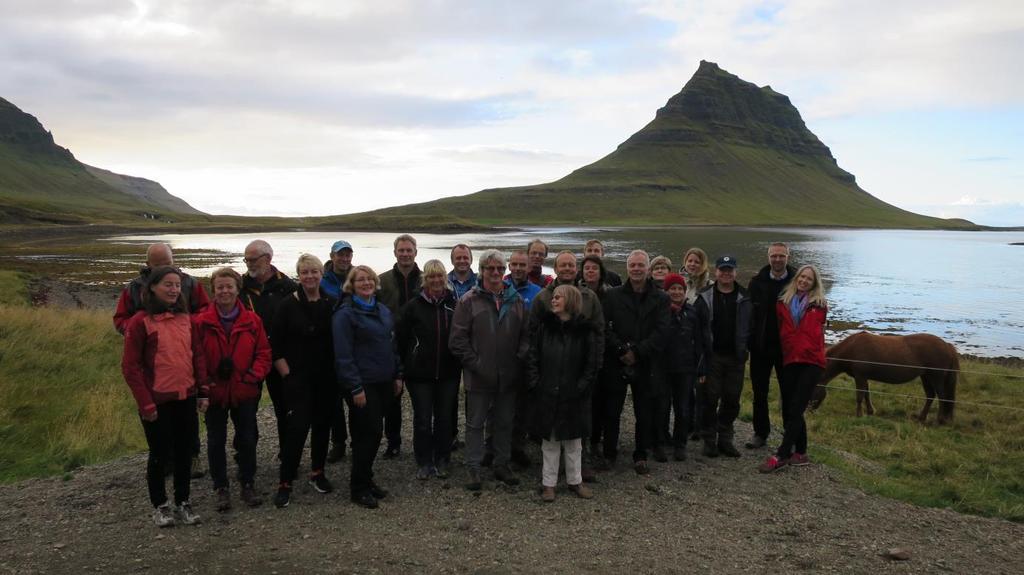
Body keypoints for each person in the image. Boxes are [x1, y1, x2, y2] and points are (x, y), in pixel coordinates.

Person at [113, 242, 210, 479]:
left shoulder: (190, 283)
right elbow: (120, 319)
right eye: (159, 265)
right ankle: (164, 460)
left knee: (186, 413)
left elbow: (205, 310)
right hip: (151, 361)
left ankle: (192, 457)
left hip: (182, 356)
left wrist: (186, 327)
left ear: (173, 259)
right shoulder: (133, 288)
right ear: (148, 266)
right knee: (158, 413)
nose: (166, 268)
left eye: (168, 263)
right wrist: (137, 332)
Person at [121, 266, 207, 527]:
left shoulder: (186, 319)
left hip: (184, 397)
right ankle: (160, 505)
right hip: (156, 401)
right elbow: (130, 367)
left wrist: (202, 391)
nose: (173, 290)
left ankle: (183, 502)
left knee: (184, 453)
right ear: (153, 288)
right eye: (168, 285)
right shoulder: (140, 322)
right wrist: (145, 402)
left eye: (177, 285)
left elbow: (198, 357)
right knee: (159, 454)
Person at [449, 249, 530, 491]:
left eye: (499, 269)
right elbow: (457, 341)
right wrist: (477, 365)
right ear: (482, 271)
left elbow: (526, 335)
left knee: (504, 422)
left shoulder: (515, 300)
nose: (495, 273)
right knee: (475, 424)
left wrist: (518, 359)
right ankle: (473, 468)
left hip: (508, 375)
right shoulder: (468, 301)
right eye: (490, 268)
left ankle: (501, 464)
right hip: (478, 376)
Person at [195, 267, 272, 511]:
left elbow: (263, 354)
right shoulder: (200, 322)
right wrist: (204, 386)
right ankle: (221, 487)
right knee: (215, 440)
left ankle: (247, 483)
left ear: (238, 289)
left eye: (230, 286)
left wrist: (252, 377)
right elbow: (195, 357)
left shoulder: (252, 320)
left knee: (247, 439)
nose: (225, 291)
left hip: (244, 390)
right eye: (220, 287)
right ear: (213, 291)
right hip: (214, 391)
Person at [270, 254, 339, 508]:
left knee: (322, 426)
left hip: (326, 377)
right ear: (298, 275)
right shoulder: (287, 305)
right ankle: (285, 482)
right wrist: (287, 373)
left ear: (322, 274)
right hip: (297, 377)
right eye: (305, 272)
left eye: (314, 271)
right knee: (297, 429)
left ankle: (317, 473)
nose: (310, 276)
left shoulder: (331, 302)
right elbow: (274, 345)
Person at [528, 251, 605, 476]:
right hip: (550, 375)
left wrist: (594, 368)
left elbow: (599, 333)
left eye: (572, 265)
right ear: (556, 268)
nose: (568, 269)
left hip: (578, 371)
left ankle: (578, 469)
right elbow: (533, 336)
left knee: (578, 422)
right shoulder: (543, 298)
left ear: (576, 268)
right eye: (563, 265)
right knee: (550, 427)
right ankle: (549, 474)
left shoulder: (589, 297)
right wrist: (535, 379)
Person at [333, 265, 403, 509]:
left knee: (374, 433)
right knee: (367, 434)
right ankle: (358, 487)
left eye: (369, 279)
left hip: (384, 381)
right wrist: (355, 388)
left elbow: (392, 346)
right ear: (351, 285)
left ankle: (367, 478)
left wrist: (397, 374)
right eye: (360, 280)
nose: (366, 283)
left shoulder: (382, 310)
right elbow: (343, 355)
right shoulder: (345, 315)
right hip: (362, 385)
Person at [601, 250, 671, 474]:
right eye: (633, 265)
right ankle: (609, 453)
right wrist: (622, 349)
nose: (637, 269)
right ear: (627, 268)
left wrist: (638, 352)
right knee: (612, 410)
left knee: (644, 411)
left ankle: (641, 454)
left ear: (648, 269)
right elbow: (604, 327)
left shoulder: (661, 298)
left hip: (646, 361)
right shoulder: (612, 296)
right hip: (617, 359)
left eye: (641, 265)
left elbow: (662, 331)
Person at [758, 265, 828, 473]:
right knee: (789, 407)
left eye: (809, 279)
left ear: (814, 284)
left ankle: (783, 454)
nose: (804, 281)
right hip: (790, 359)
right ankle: (801, 453)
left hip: (811, 361)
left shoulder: (819, 305)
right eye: (802, 277)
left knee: (797, 408)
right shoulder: (783, 303)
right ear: (796, 278)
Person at [396, 260, 460, 480]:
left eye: (440, 276)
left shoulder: (454, 304)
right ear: (425, 279)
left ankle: (443, 459)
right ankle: (424, 460)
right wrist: (401, 370)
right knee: (422, 419)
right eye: (431, 276)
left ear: (445, 278)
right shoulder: (412, 307)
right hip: (419, 374)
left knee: (444, 419)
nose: (436, 280)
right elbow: (401, 341)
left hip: (448, 373)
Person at [241, 239, 297, 459]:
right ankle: (246, 454)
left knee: (284, 408)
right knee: (246, 410)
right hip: (249, 359)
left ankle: (288, 453)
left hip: (279, 357)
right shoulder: (240, 286)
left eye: (253, 259)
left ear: (268, 259)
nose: (249, 264)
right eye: (246, 259)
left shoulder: (288, 286)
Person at [694, 256, 752, 458]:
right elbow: (697, 328)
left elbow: (750, 326)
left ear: (735, 272)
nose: (726, 273)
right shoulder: (704, 297)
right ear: (716, 271)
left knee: (732, 399)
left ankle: (725, 439)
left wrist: (746, 349)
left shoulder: (746, 297)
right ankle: (709, 439)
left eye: (730, 270)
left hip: (736, 357)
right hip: (712, 357)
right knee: (709, 399)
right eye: (722, 269)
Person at [746, 243, 797, 449]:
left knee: (789, 393)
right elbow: (749, 315)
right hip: (760, 348)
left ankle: (789, 436)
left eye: (781, 256)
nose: (777, 259)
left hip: (787, 349)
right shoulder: (756, 282)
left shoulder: (797, 282)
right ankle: (760, 433)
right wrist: (750, 342)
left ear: (788, 257)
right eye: (774, 256)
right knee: (759, 392)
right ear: (768, 257)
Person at [378, 234, 421, 459]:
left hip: (418, 346)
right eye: (401, 250)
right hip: (390, 345)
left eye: (409, 250)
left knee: (420, 397)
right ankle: (393, 441)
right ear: (395, 253)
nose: (405, 254)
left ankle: (421, 442)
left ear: (416, 252)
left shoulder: (425, 278)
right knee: (392, 398)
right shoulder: (382, 280)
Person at [655, 273, 707, 462]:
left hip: (686, 368)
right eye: (672, 289)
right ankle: (660, 443)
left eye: (680, 289)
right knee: (662, 407)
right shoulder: (659, 311)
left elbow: (700, 340)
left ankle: (680, 444)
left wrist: (701, 367)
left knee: (683, 408)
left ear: (685, 292)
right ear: (665, 291)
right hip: (663, 367)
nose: (676, 292)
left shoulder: (692, 312)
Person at [322, 240, 355, 464]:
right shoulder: (323, 282)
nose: (344, 259)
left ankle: (357, 441)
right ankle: (338, 442)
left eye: (347, 255)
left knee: (356, 397)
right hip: (329, 347)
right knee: (333, 400)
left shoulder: (358, 277)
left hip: (355, 346)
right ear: (332, 256)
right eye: (340, 255)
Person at [579, 254, 612, 464]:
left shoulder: (611, 294)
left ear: (601, 272)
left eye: (594, 268)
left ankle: (596, 441)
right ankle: (581, 441)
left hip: (605, 352)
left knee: (601, 400)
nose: (590, 271)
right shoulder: (575, 292)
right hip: (581, 353)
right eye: (587, 268)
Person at [680, 247, 713, 441]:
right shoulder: (680, 283)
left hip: (700, 340)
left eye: (697, 262)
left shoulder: (709, 286)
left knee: (701, 386)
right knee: (686, 387)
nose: (693, 264)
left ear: (703, 264)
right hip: (682, 341)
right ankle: (688, 423)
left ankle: (700, 425)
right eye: (690, 260)